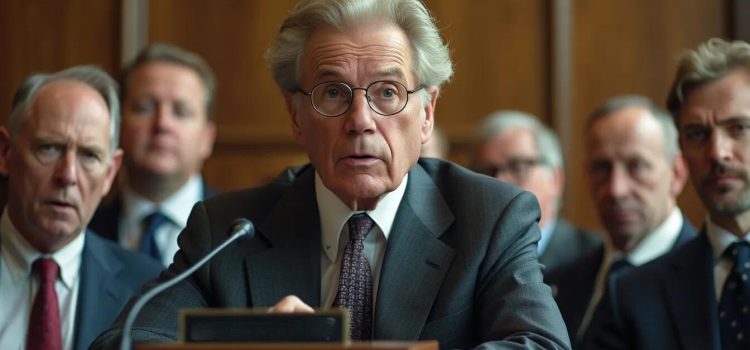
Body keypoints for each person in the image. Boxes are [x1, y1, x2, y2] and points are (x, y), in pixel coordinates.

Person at [91, 0, 570, 348]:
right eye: (334, 94)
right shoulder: (230, 229)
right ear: (297, 115)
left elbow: (540, 345)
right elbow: (124, 341)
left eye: (386, 93)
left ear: (426, 113)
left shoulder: (488, 218)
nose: (360, 119)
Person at [585, 38, 750, 350]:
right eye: (697, 134)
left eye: (739, 128)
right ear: (682, 152)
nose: (717, 153)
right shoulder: (632, 295)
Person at [0, 66, 162, 350]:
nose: (68, 175)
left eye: (89, 155)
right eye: (49, 148)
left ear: (110, 174)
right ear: (5, 153)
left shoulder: (148, 291)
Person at [545, 95, 696, 347]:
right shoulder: (560, 283)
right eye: (602, 168)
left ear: (677, 173)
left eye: (637, 166)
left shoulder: (708, 279)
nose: (616, 189)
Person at [89, 43, 218, 267]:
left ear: (207, 138)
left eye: (181, 111)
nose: (162, 124)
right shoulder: (85, 226)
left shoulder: (238, 231)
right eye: (144, 107)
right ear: (117, 127)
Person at [470, 110, 602, 270]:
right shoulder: (466, 259)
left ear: (555, 179)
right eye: (485, 172)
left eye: (518, 167)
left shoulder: (596, 258)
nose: (499, 181)